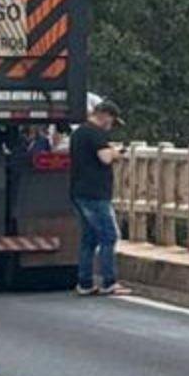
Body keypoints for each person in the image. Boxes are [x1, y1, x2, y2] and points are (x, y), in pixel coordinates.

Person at [70, 100, 132, 296]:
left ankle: (85, 282)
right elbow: (104, 158)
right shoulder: (95, 134)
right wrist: (116, 153)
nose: (110, 126)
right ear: (104, 115)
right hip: (95, 193)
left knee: (89, 238)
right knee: (108, 236)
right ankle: (109, 281)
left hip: (78, 191)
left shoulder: (79, 133)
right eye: (111, 121)